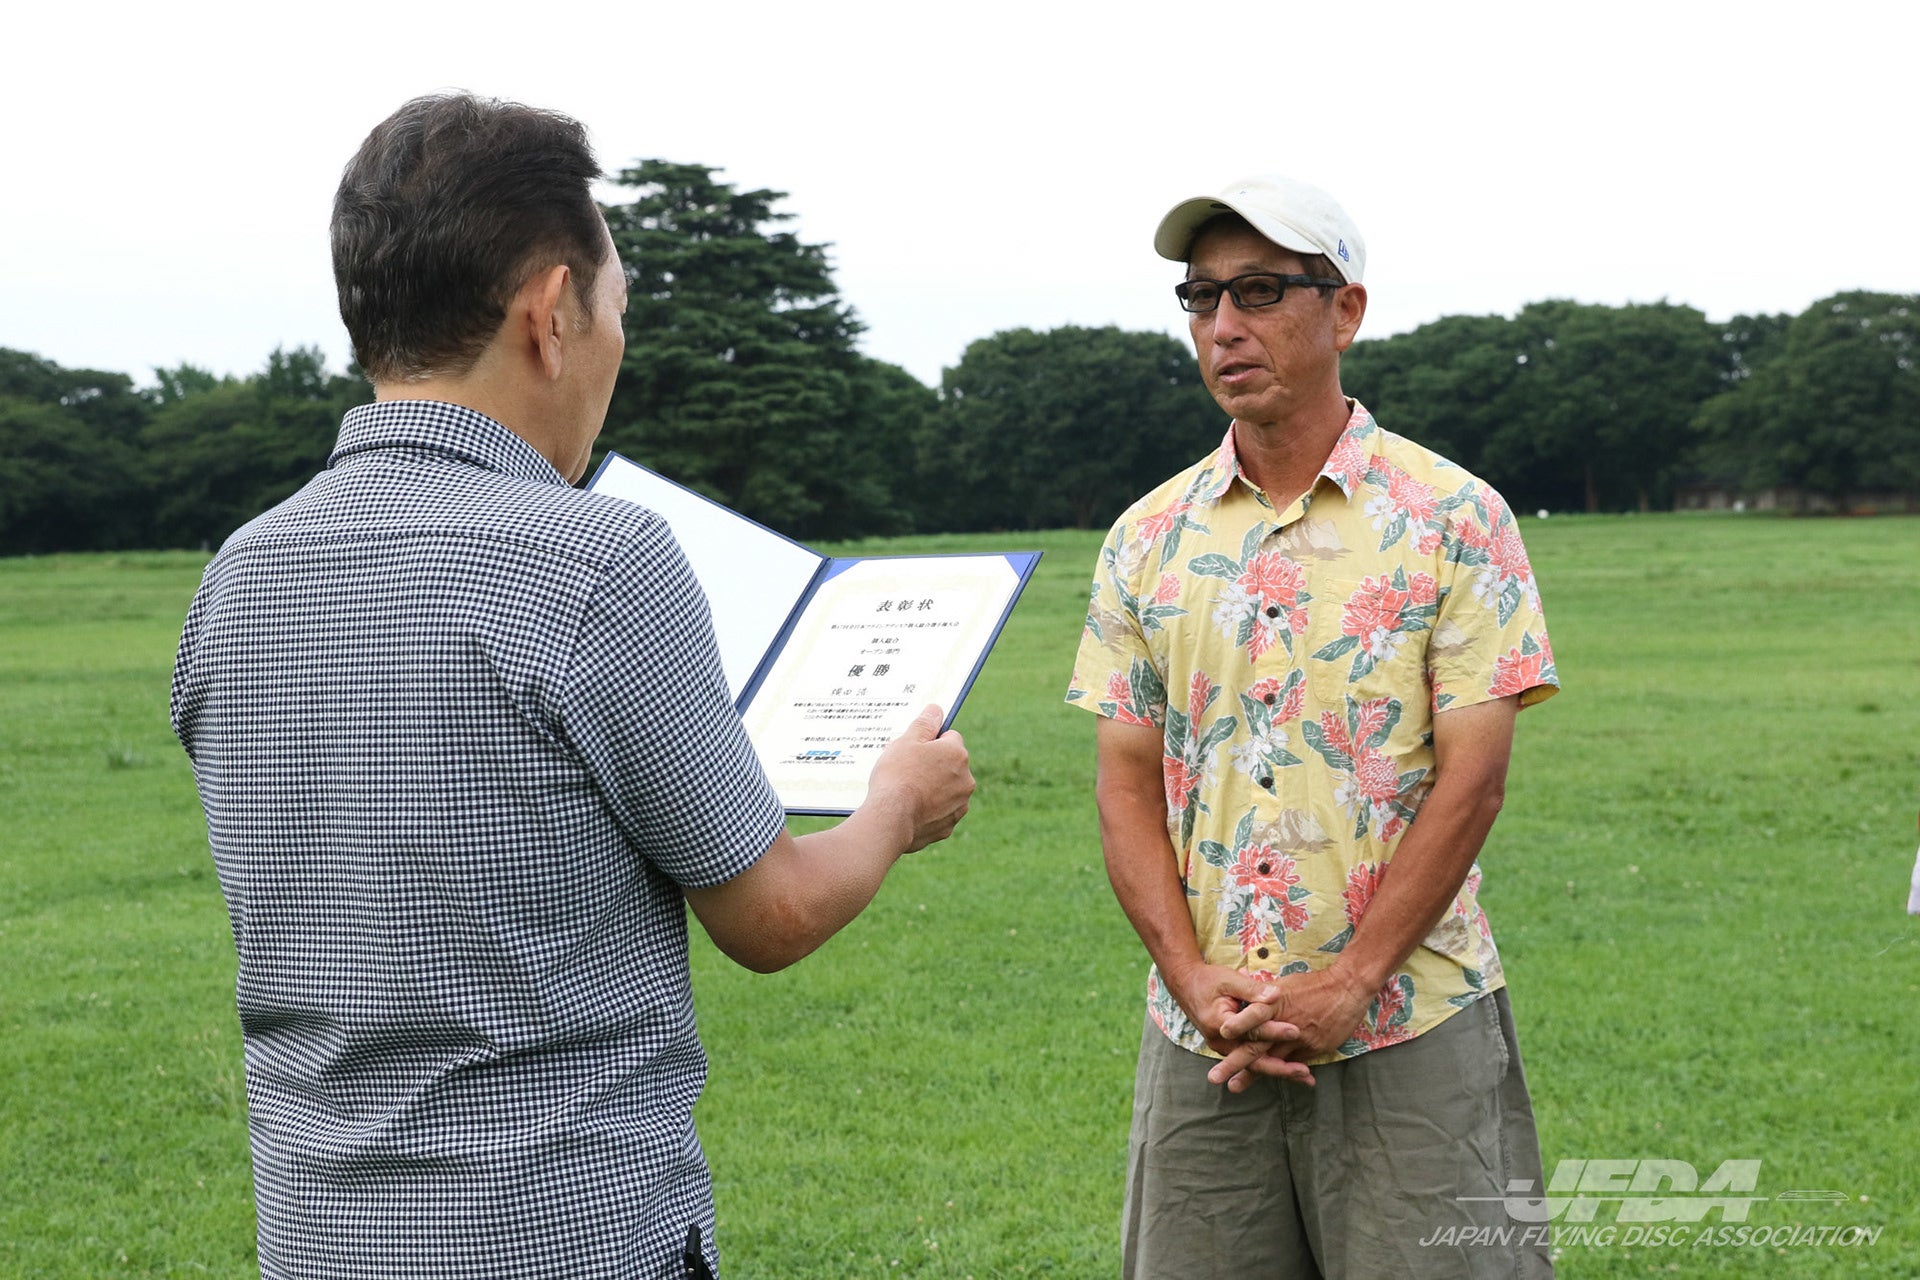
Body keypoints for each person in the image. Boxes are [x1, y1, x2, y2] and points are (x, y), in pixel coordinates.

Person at [169, 93, 974, 1280]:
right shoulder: (599, 558)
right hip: (566, 1233)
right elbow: (773, 914)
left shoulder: (239, 573)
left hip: (317, 1237)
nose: (615, 344)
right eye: (618, 308)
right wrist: (898, 800)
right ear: (551, 314)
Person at [1066, 175, 1560, 1278]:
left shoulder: (1455, 517)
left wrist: (1351, 981)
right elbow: (1124, 783)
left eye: (1259, 291)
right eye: (1201, 297)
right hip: (1208, 1039)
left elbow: (1473, 781)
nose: (1223, 326)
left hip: (1411, 1023)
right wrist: (1191, 978)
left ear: (1346, 310)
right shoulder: (1146, 537)